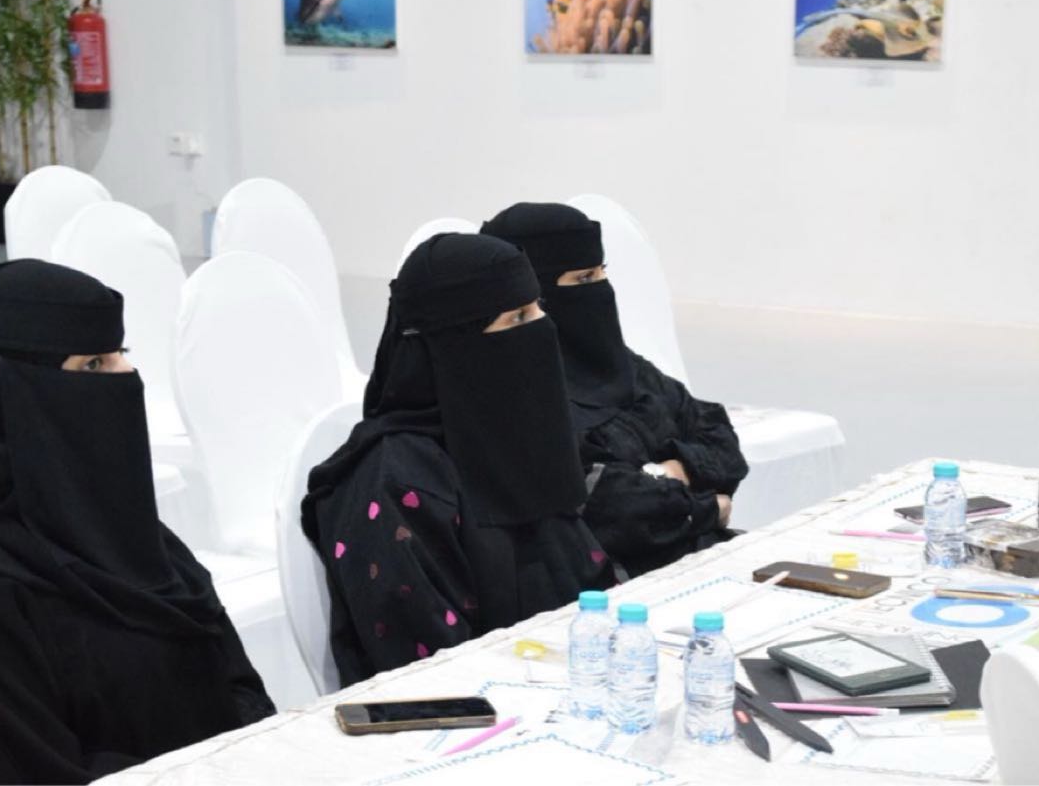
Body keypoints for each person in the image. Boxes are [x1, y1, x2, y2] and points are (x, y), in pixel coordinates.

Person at [0, 261, 274, 785]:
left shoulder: (131, 540)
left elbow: (239, 690)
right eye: (93, 364)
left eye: (121, 354)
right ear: (7, 391)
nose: (126, 377)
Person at [302, 233, 615, 686]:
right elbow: (433, 674)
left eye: (539, 308)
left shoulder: (519, 438)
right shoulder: (398, 482)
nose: (545, 329)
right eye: (518, 318)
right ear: (453, 343)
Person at [482, 203, 749, 578]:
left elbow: (722, 441)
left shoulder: (624, 366)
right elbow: (610, 510)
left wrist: (669, 471)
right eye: (583, 278)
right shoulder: (514, 396)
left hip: (701, 558)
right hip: (615, 586)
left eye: (601, 273)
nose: (599, 289)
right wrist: (705, 506)